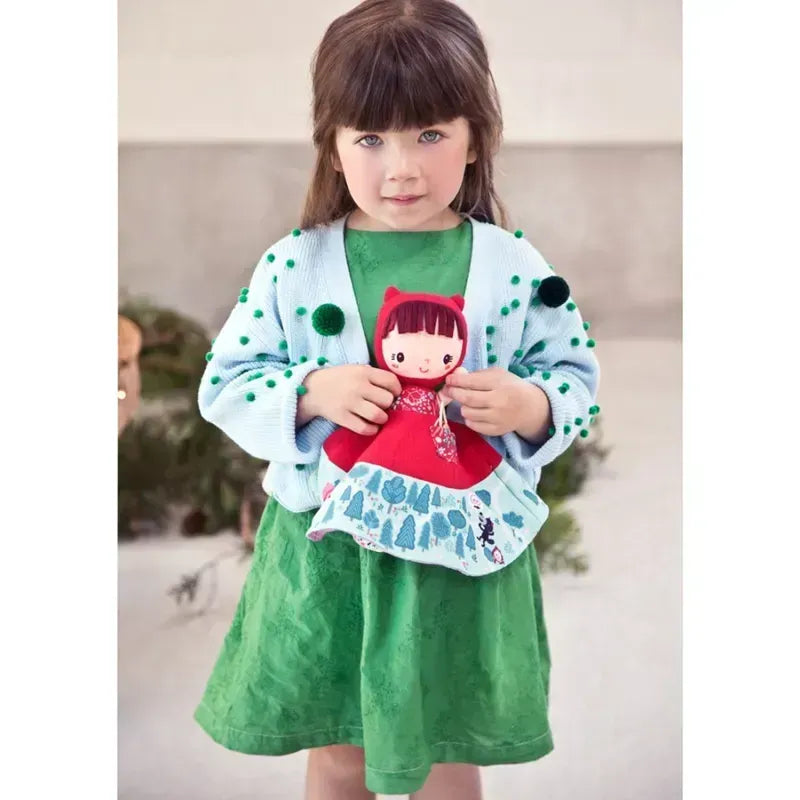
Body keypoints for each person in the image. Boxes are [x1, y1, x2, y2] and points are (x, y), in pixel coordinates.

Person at [194, 1, 600, 797]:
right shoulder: (294, 264)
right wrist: (310, 391)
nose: (402, 168)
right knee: (340, 748)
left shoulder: (511, 265)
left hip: (459, 559)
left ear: (475, 134)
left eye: (430, 135)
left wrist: (528, 407)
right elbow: (225, 383)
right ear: (334, 144)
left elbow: (574, 378)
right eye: (370, 138)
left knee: (448, 743)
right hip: (330, 555)